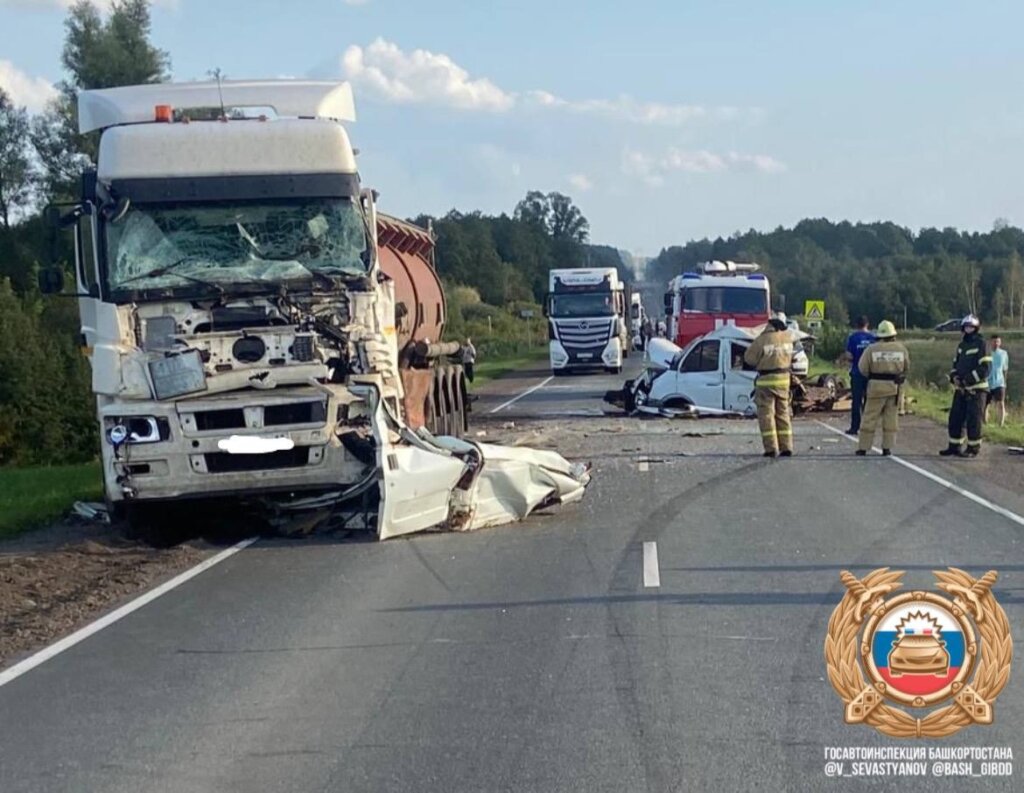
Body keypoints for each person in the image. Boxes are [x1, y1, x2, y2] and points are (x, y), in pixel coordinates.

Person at [744, 311, 797, 458]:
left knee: (766, 415)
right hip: (784, 381)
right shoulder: (788, 338)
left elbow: (749, 359)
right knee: (783, 413)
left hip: (766, 381)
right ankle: (787, 447)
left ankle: (771, 448)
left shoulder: (762, 340)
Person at [939, 314, 991, 457]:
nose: (968, 329)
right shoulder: (962, 345)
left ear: (976, 328)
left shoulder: (982, 344)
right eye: (966, 327)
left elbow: (985, 368)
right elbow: (955, 364)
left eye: (971, 327)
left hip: (977, 390)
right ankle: (954, 446)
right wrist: (954, 377)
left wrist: (967, 380)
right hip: (961, 389)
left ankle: (973, 449)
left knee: (974, 421)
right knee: (955, 418)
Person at [855, 320, 909, 456]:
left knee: (869, 418)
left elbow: (862, 368)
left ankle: (863, 447)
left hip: (875, 388)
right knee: (890, 419)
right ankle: (887, 448)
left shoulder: (871, 349)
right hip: (894, 388)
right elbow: (906, 368)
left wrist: (873, 376)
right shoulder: (901, 349)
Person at [844, 316, 877, 436]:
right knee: (869, 402)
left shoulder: (852, 338)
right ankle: (868, 427)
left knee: (856, 401)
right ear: (867, 324)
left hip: (857, 373)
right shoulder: (873, 338)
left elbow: (849, 356)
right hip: (871, 374)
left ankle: (854, 427)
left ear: (857, 325)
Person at [984, 335, 1009, 427]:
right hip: (987, 382)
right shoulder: (987, 353)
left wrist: (1005, 381)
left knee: (1001, 403)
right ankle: (984, 422)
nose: (996, 344)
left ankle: (1000, 424)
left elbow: (1005, 368)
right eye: (994, 341)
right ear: (991, 342)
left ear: (1000, 343)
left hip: (999, 382)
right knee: (986, 404)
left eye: (998, 342)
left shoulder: (1004, 353)